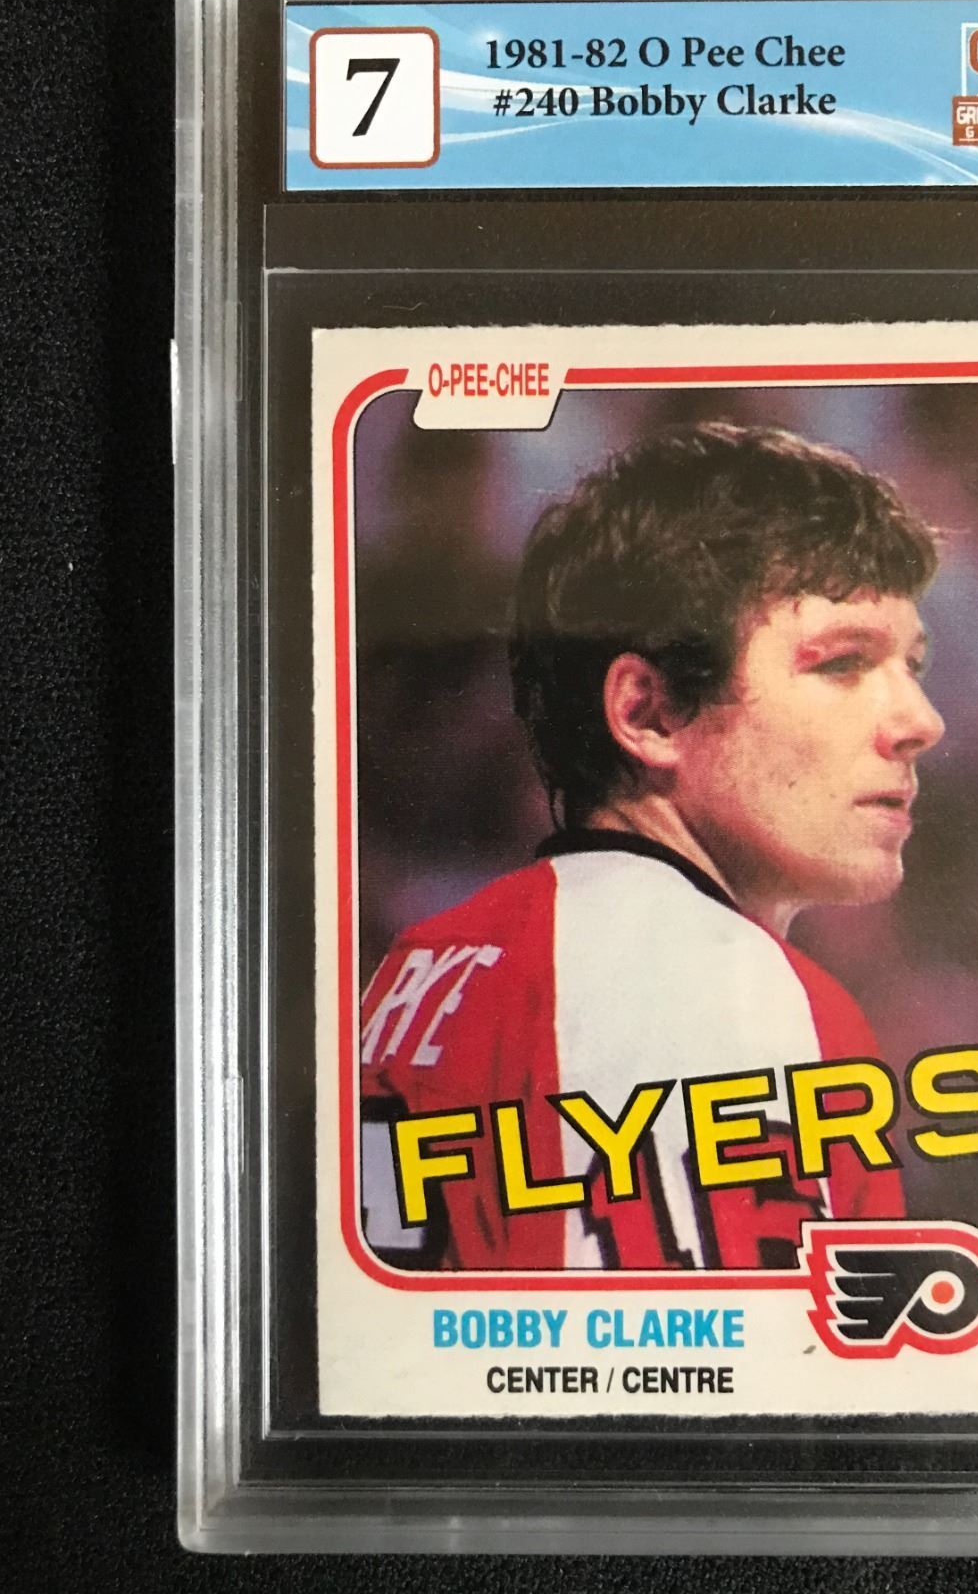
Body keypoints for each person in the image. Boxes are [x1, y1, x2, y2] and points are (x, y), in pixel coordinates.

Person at [358, 421, 945, 1271]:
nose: (920, 722)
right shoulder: (736, 993)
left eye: (911, 667)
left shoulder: (418, 963)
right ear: (648, 712)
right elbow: (716, 1359)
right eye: (841, 664)